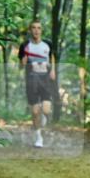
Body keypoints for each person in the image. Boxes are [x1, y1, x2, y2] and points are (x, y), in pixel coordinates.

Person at [18, 20, 55, 148]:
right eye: (33, 28)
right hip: (32, 80)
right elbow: (20, 66)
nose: (36, 30)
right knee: (34, 112)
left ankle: (42, 119)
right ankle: (39, 137)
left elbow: (52, 57)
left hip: (45, 79)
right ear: (30, 30)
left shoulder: (47, 44)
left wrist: (53, 70)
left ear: (41, 30)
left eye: (39, 28)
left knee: (46, 109)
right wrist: (23, 62)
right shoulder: (25, 46)